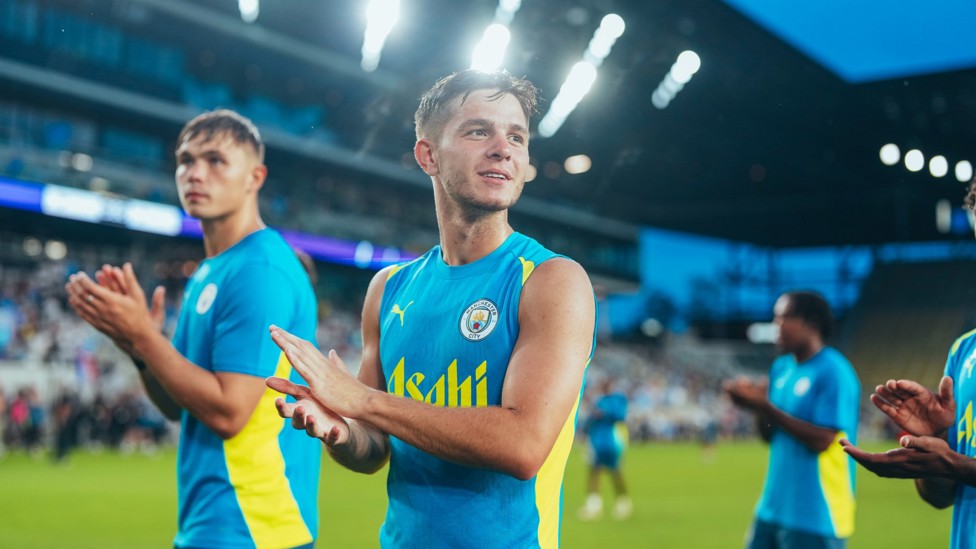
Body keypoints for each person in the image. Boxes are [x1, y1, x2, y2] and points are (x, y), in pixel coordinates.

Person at [265, 69, 597, 548]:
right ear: (428, 155)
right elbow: (374, 445)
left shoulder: (551, 280)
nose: (503, 147)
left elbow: (524, 445)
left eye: (517, 137)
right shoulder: (389, 288)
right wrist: (341, 430)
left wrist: (365, 403)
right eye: (479, 130)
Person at [65, 109, 321, 549]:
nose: (194, 173)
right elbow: (176, 405)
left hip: (254, 525)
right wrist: (137, 346)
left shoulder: (261, 268)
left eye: (215, 160)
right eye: (185, 160)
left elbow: (229, 412)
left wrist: (146, 336)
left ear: (254, 177)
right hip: (214, 522)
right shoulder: (209, 272)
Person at [840, 182, 976, 549]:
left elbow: (961, 470)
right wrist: (932, 444)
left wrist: (957, 465)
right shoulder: (965, 350)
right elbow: (941, 496)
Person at [724, 290, 860, 548]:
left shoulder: (834, 371)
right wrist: (755, 407)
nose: (777, 326)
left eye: (784, 318)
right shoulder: (782, 368)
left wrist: (766, 406)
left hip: (817, 513)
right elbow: (768, 435)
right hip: (771, 508)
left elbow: (823, 440)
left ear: (811, 322)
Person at [578, 377, 631, 521]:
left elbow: (620, 416)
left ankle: (623, 502)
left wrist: (604, 414)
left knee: (615, 472)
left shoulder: (616, 400)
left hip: (611, 441)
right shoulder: (599, 401)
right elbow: (590, 420)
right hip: (596, 441)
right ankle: (594, 505)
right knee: (594, 471)